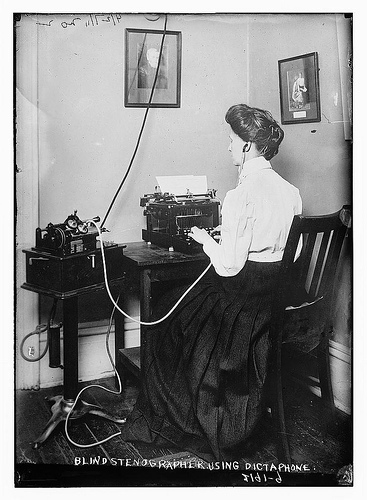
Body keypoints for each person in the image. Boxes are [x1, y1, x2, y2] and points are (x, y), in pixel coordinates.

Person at [121, 104, 302, 462]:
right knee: (186, 309)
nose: (229, 147)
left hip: (239, 307)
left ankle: (177, 420)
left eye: (232, 140)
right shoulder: (291, 192)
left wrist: (206, 239)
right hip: (269, 303)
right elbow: (289, 256)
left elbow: (230, 268)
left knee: (167, 312)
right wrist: (236, 239)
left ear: (248, 146)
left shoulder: (240, 196)